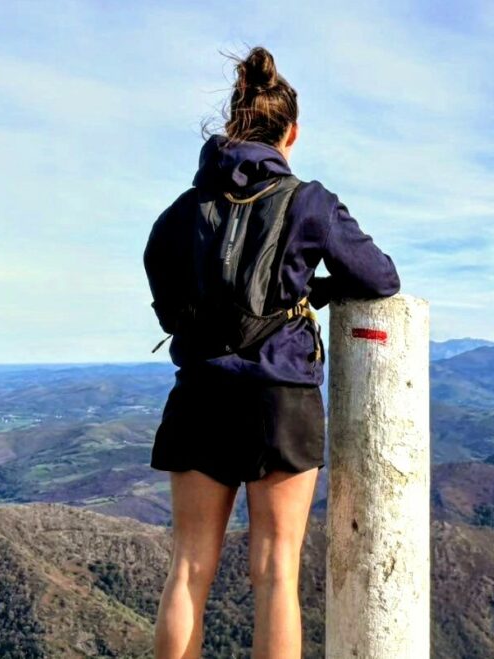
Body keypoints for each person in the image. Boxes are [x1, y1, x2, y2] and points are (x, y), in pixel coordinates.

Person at [143, 45, 400, 659]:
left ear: (230, 127)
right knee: (276, 572)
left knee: (188, 569)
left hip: (200, 393)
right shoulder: (307, 202)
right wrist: (316, 290)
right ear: (291, 133)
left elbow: (159, 280)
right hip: (279, 396)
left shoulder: (180, 213)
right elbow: (382, 277)